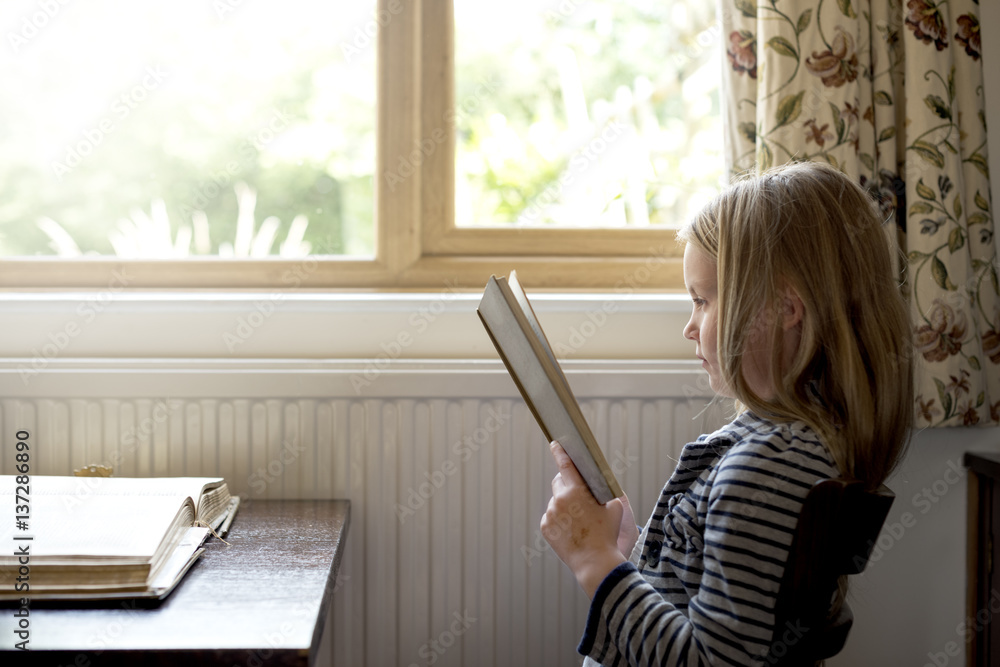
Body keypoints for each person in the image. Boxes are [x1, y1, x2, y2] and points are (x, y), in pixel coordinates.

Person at [540, 160, 913, 666]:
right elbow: (694, 600)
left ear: (786, 308)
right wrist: (629, 552)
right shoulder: (788, 447)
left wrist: (594, 560)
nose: (689, 328)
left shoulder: (765, 467)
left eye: (702, 300)